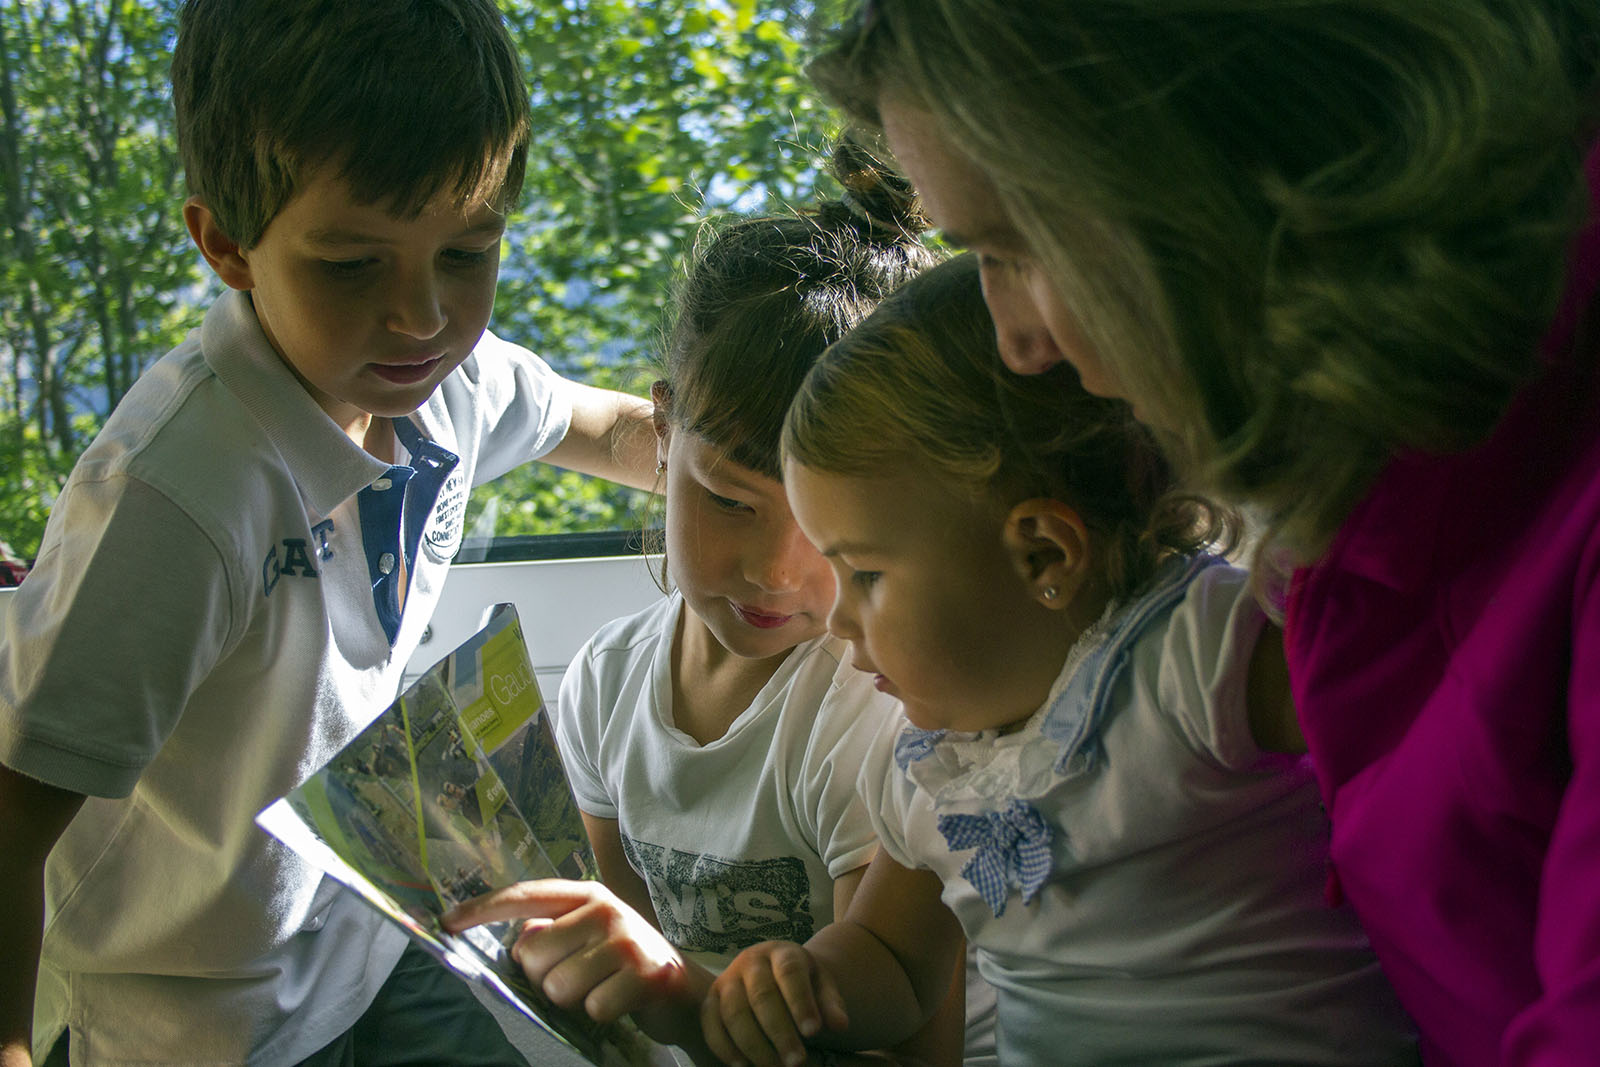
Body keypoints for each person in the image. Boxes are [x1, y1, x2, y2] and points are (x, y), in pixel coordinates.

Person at [804, 3, 1600, 1063]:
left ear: (1205, 176)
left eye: (1014, 249)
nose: (1018, 342)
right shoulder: (1345, 522)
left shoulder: (1232, 641)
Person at [0, 1, 657, 1063]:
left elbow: (609, 428)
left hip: (358, 925)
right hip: (188, 1013)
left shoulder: (451, 383)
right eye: (353, 266)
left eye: (469, 249)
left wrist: (770, 473)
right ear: (228, 246)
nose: (422, 317)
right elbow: (11, 813)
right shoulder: (178, 494)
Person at [700, 255, 1416, 1067]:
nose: (839, 616)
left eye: (866, 574)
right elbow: (895, 962)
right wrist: (805, 978)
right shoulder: (924, 771)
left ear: (1042, 554)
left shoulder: (1199, 656)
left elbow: (1410, 732)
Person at [442, 147, 993, 1067]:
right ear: (663, 436)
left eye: (824, 524)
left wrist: (681, 994)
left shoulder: (878, 707)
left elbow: (908, 1025)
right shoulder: (604, 684)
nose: (776, 572)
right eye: (731, 501)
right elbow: (622, 956)